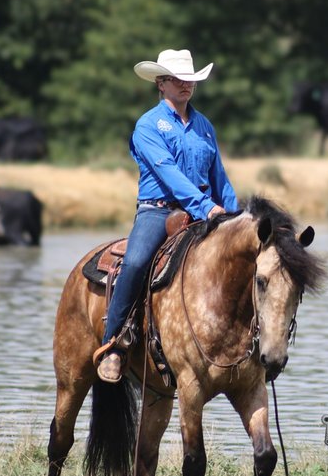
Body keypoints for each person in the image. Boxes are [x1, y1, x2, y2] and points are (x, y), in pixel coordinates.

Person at [93, 48, 240, 383]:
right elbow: (169, 174)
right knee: (135, 262)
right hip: (158, 212)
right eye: (177, 79)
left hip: (204, 211)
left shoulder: (204, 126)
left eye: (190, 79)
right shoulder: (148, 125)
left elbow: (219, 177)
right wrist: (206, 207)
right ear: (161, 83)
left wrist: (236, 216)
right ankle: (113, 344)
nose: (185, 84)